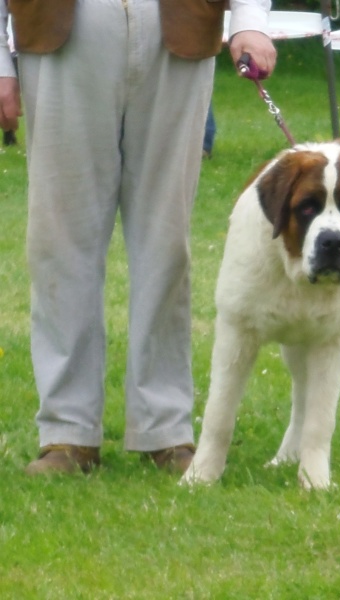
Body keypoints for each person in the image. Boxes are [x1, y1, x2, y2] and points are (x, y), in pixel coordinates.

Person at [0, 1, 277, 475]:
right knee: (59, 240)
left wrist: (249, 22)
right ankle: (67, 433)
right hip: (57, 29)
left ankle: (164, 429)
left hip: (181, 27)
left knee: (167, 242)